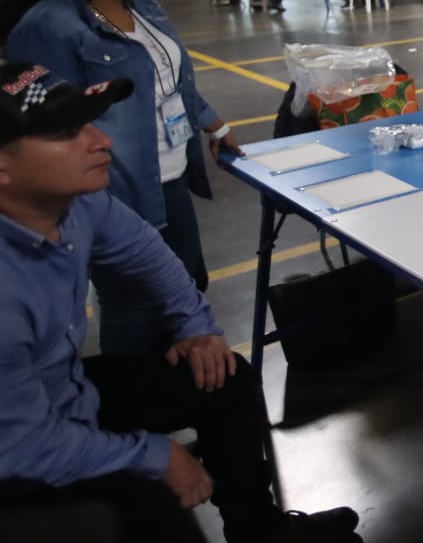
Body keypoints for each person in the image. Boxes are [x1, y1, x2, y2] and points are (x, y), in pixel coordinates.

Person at [0, 62, 362, 543]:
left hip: (66, 392)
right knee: (153, 507)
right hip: (19, 454)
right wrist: (151, 455)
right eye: (66, 133)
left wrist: (195, 325)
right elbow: (20, 446)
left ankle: (262, 534)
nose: (102, 141)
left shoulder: (76, 203)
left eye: (90, 123)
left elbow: (144, 250)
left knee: (226, 379)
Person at [0, 0, 244, 354]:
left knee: (188, 278)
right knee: (132, 302)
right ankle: (132, 389)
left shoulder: (145, 8)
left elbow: (171, 80)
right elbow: (39, 124)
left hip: (170, 175)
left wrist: (211, 123)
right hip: (116, 187)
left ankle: (176, 381)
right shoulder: (50, 27)